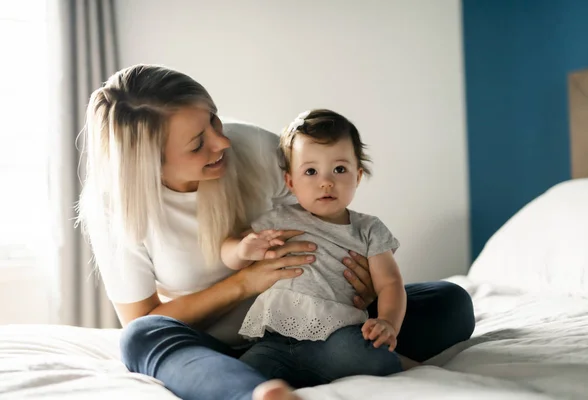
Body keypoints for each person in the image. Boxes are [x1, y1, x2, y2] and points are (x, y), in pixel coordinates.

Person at [77, 64, 475, 400]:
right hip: (220, 348)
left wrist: (370, 287)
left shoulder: (251, 147)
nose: (222, 141)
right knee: (141, 337)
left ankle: (319, 360)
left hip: (321, 321)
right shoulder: (116, 207)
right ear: (148, 163)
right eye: (199, 143)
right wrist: (243, 284)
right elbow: (144, 317)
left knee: (451, 302)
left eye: (214, 119)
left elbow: (329, 212)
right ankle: (253, 391)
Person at [221, 109, 415, 387]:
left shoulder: (368, 229)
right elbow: (228, 250)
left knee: (368, 355)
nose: (326, 181)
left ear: (357, 176)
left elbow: (390, 283)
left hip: (335, 338)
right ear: (290, 182)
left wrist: (387, 322)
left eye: (339, 169)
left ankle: (383, 361)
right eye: (310, 171)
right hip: (277, 341)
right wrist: (242, 250)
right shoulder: (279, 218)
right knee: (242, 375)